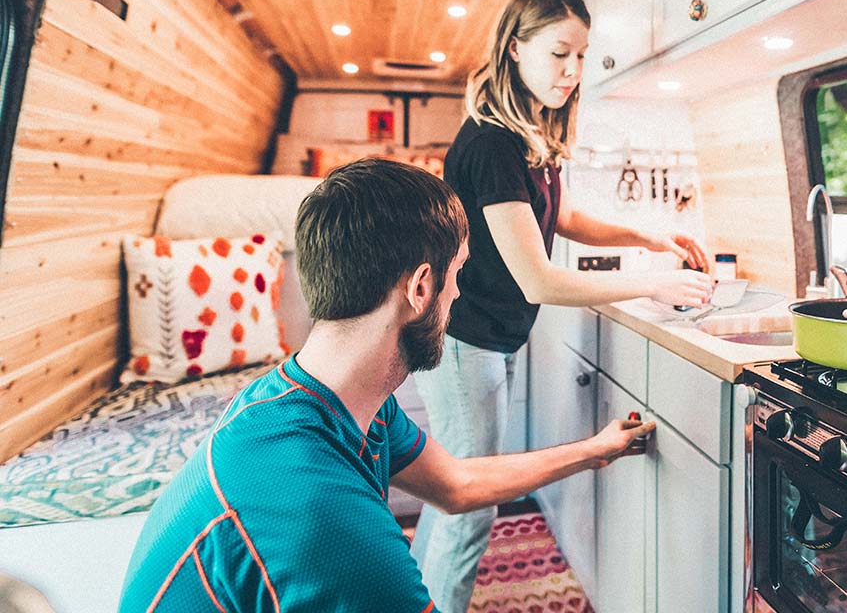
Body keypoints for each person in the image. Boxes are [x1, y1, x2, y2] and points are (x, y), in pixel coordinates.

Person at [118, 159, 654, 612]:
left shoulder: (316, 396)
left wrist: (594, 450)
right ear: (422, 286)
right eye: (458, 275)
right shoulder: (329, 523)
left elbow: (456, 485)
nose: (458, 297)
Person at [411, 0, 713, 611]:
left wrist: (649, 236)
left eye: (580, 55)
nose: (573, 71)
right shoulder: (492, 142)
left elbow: (562, 215)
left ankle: (407, 598)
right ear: (515, 49)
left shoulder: (527, 135)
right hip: (466, 340)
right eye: (559, 53)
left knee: (452, 491)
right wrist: (654, 280)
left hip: (488, 338)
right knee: (470, 506)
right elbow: (540, 278)